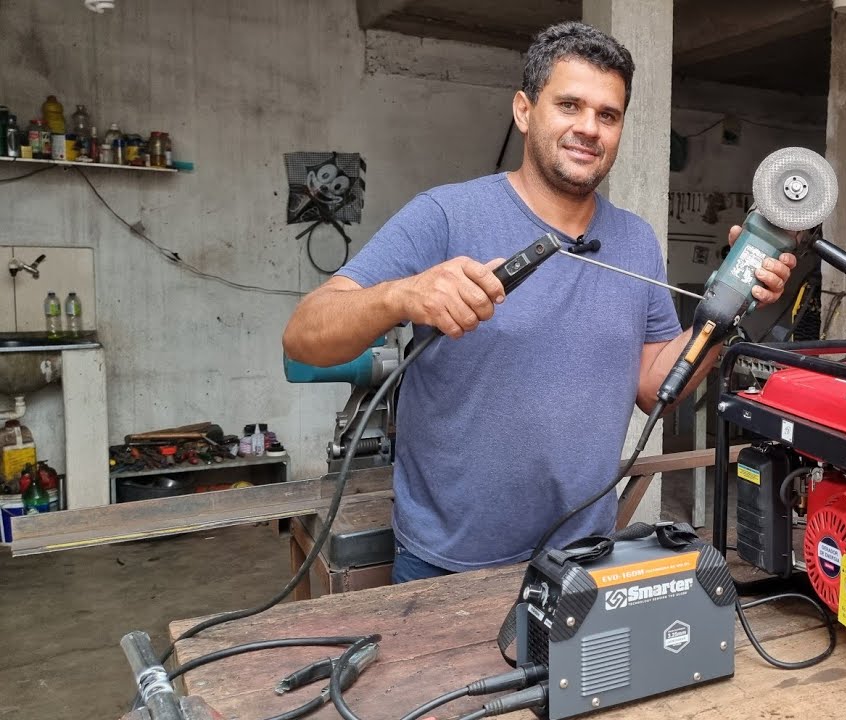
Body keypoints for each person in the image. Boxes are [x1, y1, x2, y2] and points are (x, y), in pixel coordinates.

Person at [282, 21, 796, 583]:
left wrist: (725, 311)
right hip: (447, 561)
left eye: (608, 115)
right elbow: (305, 336)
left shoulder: (636, 240)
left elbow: (654, 387)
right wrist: (403, 295)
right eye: (569, 105)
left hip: (581, 557)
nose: (588, 129)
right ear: (525, 111)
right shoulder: (447, 214)